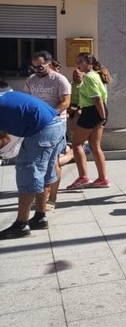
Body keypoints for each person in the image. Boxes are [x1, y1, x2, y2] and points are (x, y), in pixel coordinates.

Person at [0, 91, 65, 239]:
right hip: (56, 125)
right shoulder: (3, 98)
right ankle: (40, 217)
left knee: (29, 173)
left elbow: (5, 139)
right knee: (43, 174)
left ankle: (21, 225)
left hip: (42, 130)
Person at [24, 50, 70, 210]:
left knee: (53, 161)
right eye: (34, 67)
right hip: (37, 125)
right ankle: (40, 195)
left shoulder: (59, 80)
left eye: (40, 67)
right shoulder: (31, 79)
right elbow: (27, 100)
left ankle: (52, 197)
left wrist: (49, 115)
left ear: (49, 64)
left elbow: (65, 103)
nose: (37, 70)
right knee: (38, 162)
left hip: (55, 124)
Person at [66, 53, 112, 189]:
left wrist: (102, 117)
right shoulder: (96, 75)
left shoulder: (89, 77)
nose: (77, 64)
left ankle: (83, 177)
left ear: (89, 62)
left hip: (92, 112)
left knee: (76, 144)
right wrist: (103, 117)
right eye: (77, 61)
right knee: (94, 146)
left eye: (80, 61)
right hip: (97, 112)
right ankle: (103, 179)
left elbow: (96, 98)